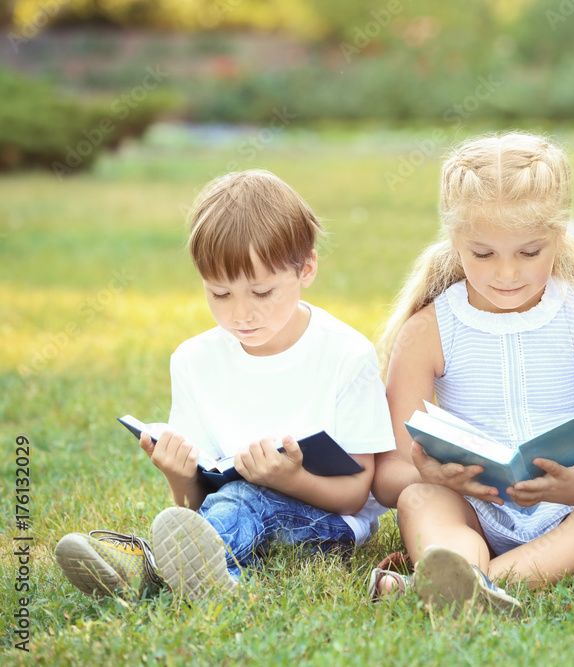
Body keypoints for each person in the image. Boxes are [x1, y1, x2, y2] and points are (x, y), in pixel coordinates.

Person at [55, 169, 395, 600]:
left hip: (328, 525)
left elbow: (355, 494)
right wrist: (179, 475)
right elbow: (194, 508)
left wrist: (290, 480)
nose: (241, 315)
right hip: (234, 511)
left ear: (306, 268)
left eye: (261, 292)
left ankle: (148, 570)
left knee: (243, 498)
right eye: (220, 294)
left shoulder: (347, 355)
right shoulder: (194, 360)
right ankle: (215, 580)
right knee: (235, 500)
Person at [370, 132, 574, 615]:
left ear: (560, 237)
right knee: (419, 498)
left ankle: (467, 587)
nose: (506, 274)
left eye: (529, 252)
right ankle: (472, 577)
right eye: (483, 254)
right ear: (455, 240)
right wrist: (436, 475)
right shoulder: (428, 330)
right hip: (472, 509)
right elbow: (389, 475)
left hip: (572, 509)